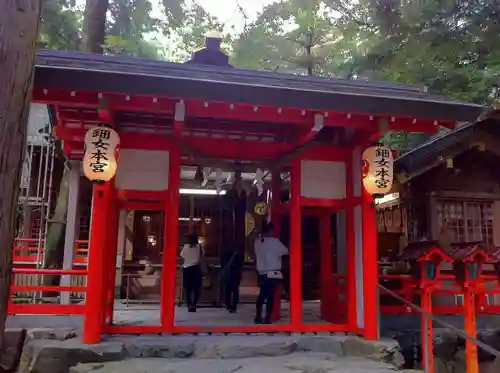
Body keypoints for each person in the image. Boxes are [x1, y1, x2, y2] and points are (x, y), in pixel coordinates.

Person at [253, 220, 289, 324]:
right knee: (270, 297)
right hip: (273, 273)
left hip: (261, 273)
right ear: (271, 231)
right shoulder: (275, 242)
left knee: (262, 295)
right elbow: (286, 251)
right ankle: (268, 317)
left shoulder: (258, 242)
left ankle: (258, 315)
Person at [180, 233, 203, 312]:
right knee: (196, 287)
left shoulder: (186, 247)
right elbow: (201, 256)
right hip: (196, 268)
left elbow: (182, 255)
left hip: (187, 268)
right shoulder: (199, 247)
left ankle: (189, 304)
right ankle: (194, 303)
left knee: (188, 288)